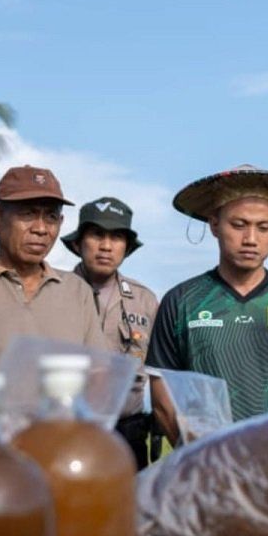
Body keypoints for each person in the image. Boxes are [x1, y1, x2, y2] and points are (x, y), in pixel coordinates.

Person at [145, 165, 268, 442]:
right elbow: (163, 398)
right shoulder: (181, 300)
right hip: (207, 465)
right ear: (214, 225)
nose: (250, 239)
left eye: (264, 227)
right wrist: (198, 455)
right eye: (238, 225)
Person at [0, 166, 107, 357]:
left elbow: (97, 372)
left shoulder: (77, 291)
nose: (41, 229)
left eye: (51, 217)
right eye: (28, 214)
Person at [62, 196, 159, 468]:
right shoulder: (56, 292)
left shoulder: (145, 300)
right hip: (69, 427)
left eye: (116, 237)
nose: (106, 246)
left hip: (128, 430)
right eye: (96, 235)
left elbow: (159, 371)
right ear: (79, 242)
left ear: (126, 247)